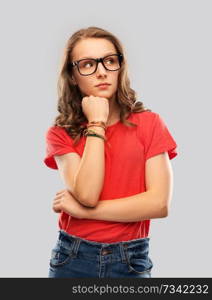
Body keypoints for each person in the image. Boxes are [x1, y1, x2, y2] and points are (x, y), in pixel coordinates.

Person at [43, 26, 178, 278]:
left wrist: (83, 212)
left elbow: (159, 204)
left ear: (120, 67)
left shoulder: (149, 123)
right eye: (87, 64)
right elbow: (87, 193)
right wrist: (97, 122)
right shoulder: (60, 134)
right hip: (72, 258)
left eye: (109, 61)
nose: (102, 71)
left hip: (131, 260)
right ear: (73, 76)